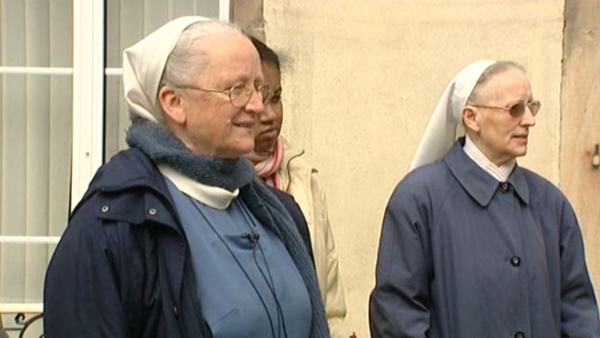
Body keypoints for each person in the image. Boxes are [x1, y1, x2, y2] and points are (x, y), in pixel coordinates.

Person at [44, 16, 330, 338]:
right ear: (174, 103)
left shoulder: (278, 213)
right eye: (237, 89)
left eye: (258, 88)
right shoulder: (114, 227)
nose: (257, 106)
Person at [369, 60, 600, 337]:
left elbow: (579, 314)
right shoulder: (418, 199)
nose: (529, 120)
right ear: (471, 117)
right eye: (515, 109)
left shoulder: (552, 203)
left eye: (531, 106)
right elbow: (397, 317)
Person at [246, 37, 347, 338]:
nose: (271, 115)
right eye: (259, 98)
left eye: (275, 97)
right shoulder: (210, 188)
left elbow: (331, 302)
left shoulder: (304, 180)